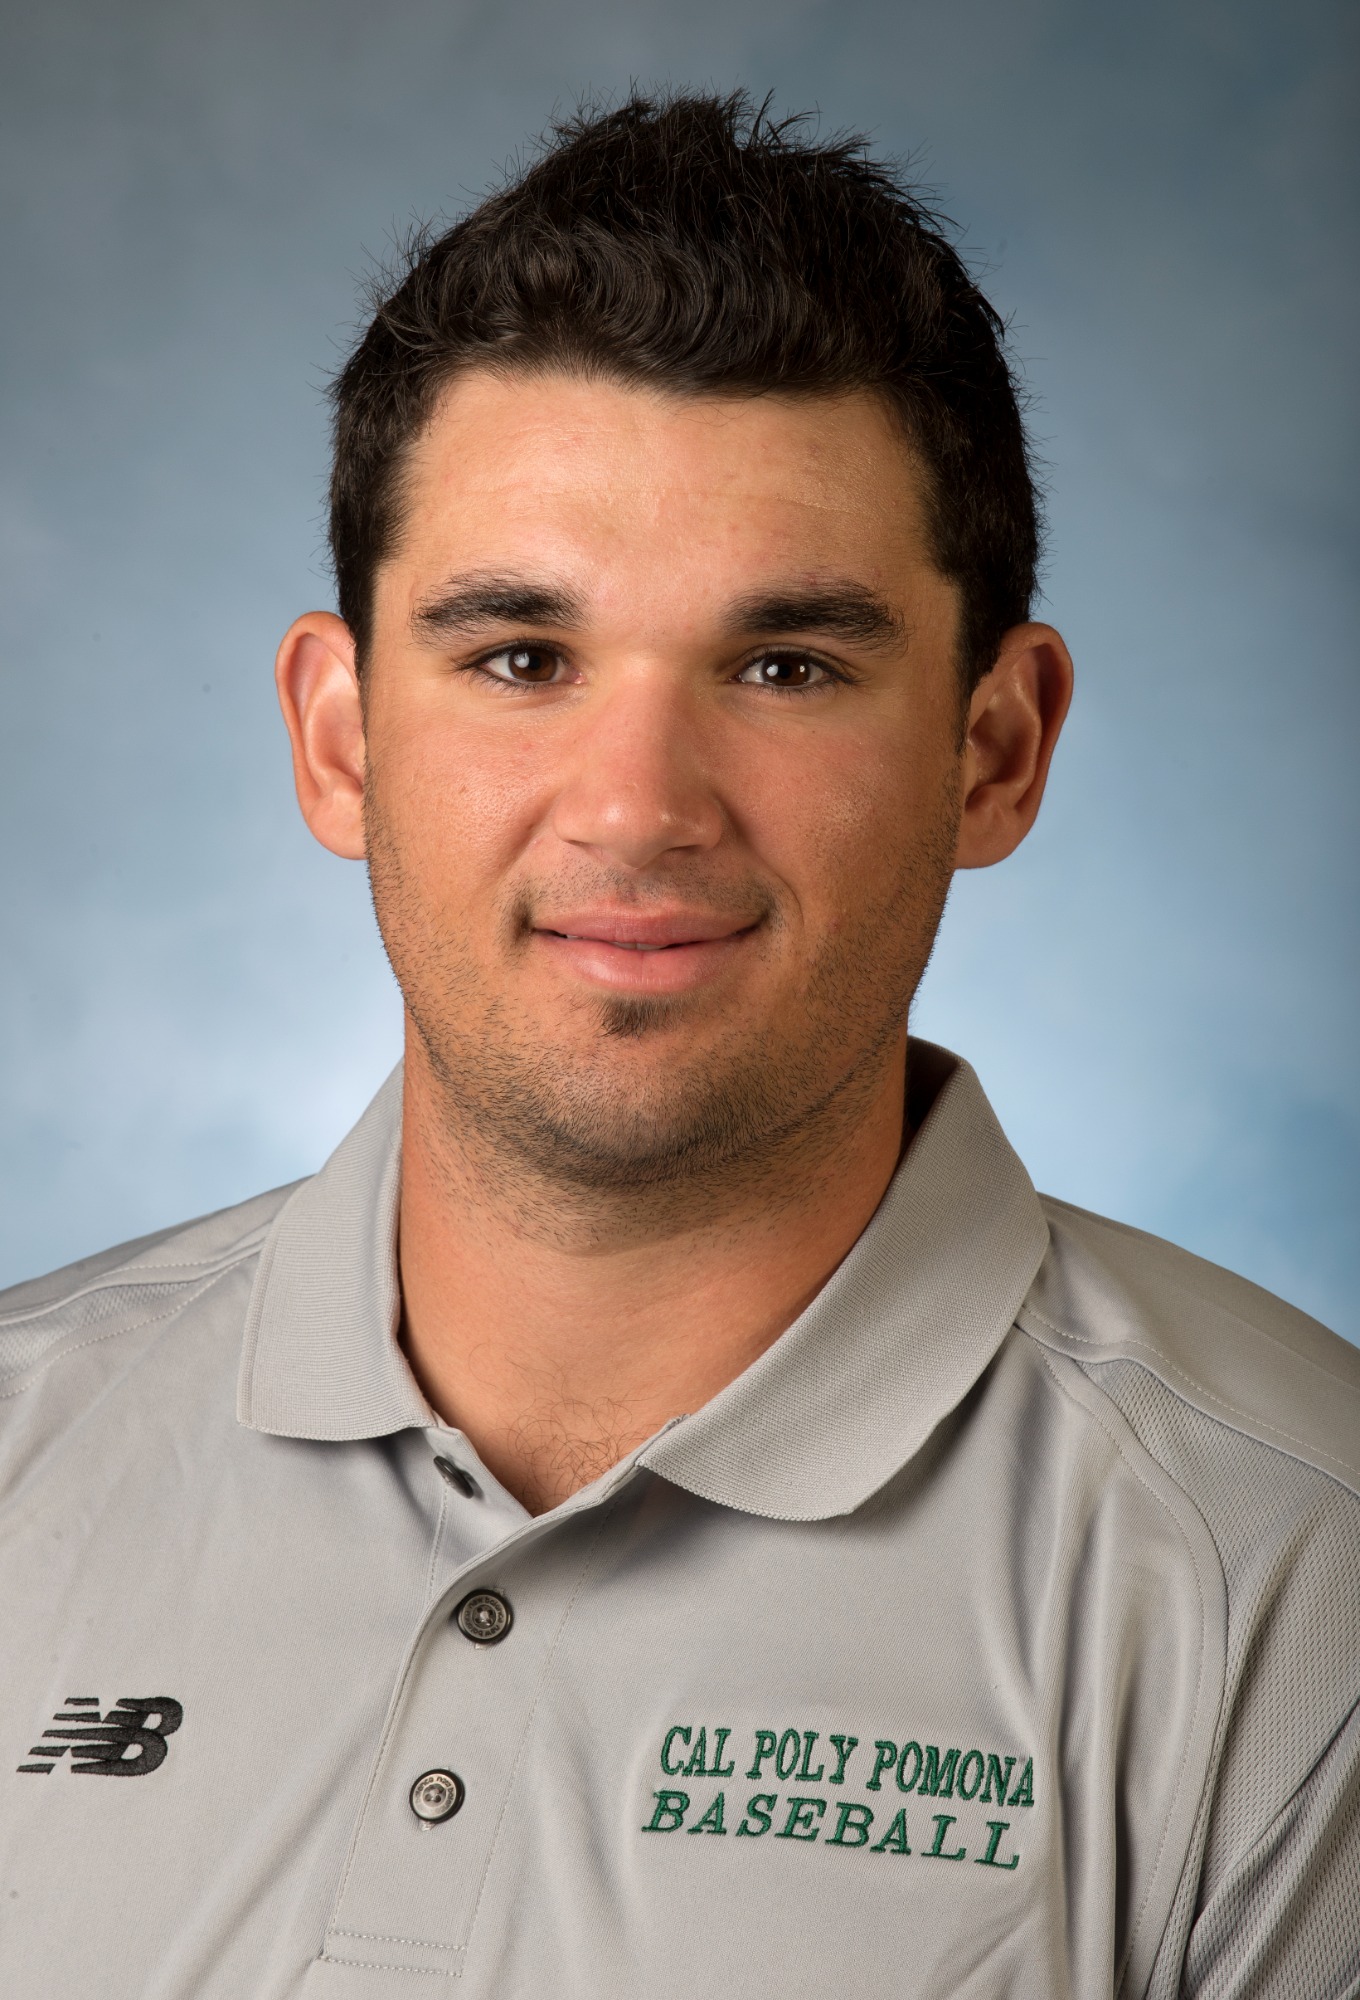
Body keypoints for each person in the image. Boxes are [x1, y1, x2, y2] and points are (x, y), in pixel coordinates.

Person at [1, 92, 1356, 2000]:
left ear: (997, 749)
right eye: (521, 658)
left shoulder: (1302, 1587)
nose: (636, 809)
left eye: (787, 666)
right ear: (342, 737)